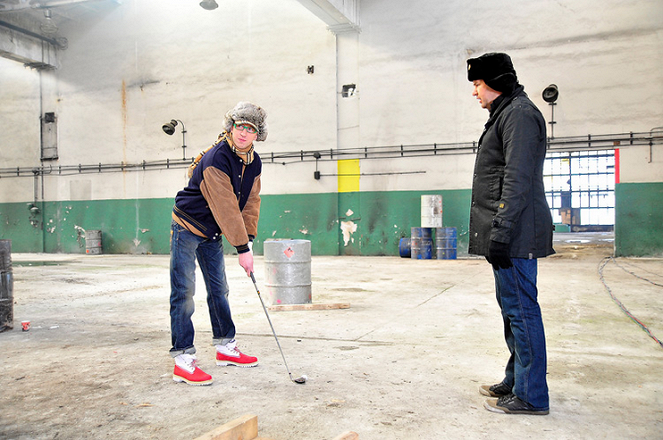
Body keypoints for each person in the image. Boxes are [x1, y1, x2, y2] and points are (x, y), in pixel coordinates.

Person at [466, 53, 554, 414]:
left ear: (494, 82)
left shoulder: (518, 114)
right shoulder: (506, 113)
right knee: (511, 309)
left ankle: (531, 396)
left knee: (522, 311)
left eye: (477, 84)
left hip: (516, 234)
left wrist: (500, 232)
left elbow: (516, 180)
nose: (475, 92)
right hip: (507, 232)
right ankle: (517, 378)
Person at [169, 101, 267, 386]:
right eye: (239, 126)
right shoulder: (216, 158)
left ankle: (225, 347)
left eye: (250, 129)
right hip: (187, 225)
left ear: (257, 135)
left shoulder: (254, 163)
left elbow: (250, 202)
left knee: (219, 289)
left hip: (211, 231)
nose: (243, 133)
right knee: (184, 291)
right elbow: (225, 207)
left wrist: (247, 238)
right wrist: (242, 249)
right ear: (231, 127)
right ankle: (183, 358)